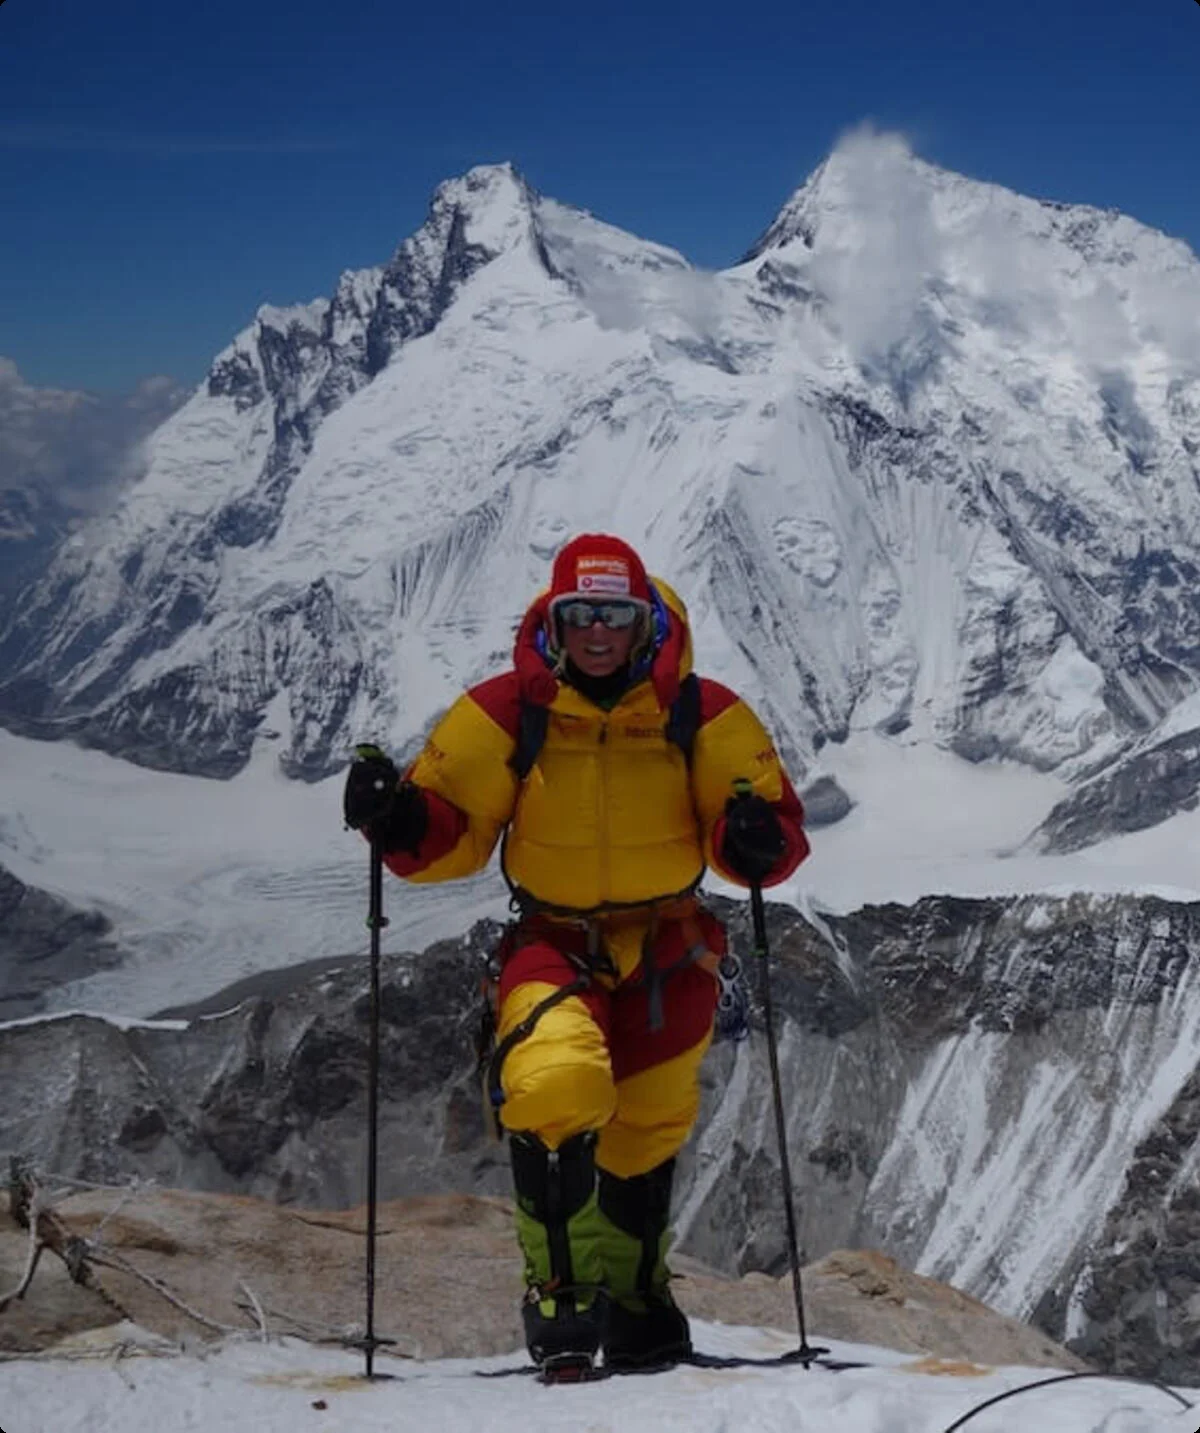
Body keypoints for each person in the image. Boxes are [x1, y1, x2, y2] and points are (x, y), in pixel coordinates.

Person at [343, 533, 809, 1375]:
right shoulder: (507, 711)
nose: (599, 631)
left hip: (668, 947)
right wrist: (400, 820)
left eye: (616, 614)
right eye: (581, 614)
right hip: (552, 941)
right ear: (554, 620)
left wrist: (754, 838)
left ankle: (637, 1299)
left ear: (647, 622)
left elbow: (767, 826)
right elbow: (449, 828)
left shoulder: (702, 715)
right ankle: (561, 1293)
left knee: (647, 1127)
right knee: (555, 1084)